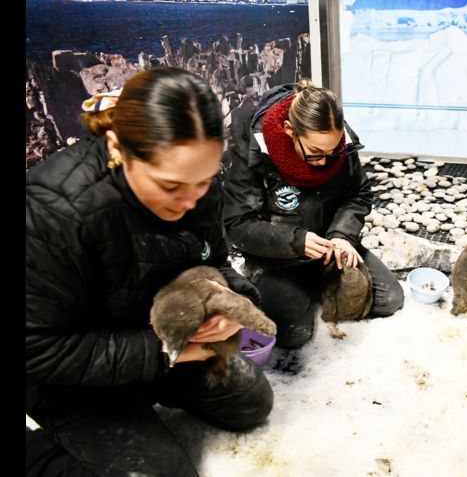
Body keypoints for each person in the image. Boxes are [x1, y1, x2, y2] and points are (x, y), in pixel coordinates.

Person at [26, 67, 274, 476]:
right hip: (76, 375)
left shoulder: (197, 185)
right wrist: (163, 353)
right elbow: (38, 350)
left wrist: (232, 302)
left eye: (204, 181)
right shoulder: (54, 213)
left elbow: (214, 261)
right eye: (170, 186)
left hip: (165, 334)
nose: (191, 201)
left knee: (252, 403)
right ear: (117, 146)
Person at [222, 79, 404, 349]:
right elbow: (238, 224)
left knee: (390, 300)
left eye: (332, 152)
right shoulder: (253, 149)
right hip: (280, 255)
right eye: (315, 153)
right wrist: (296, 241)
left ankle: (315, 285)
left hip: (331, 246)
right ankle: (299, 288)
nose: (323, 162)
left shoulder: (338, 143)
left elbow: (359, 193)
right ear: (288, 130)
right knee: (291, 334)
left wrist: (343, 235)